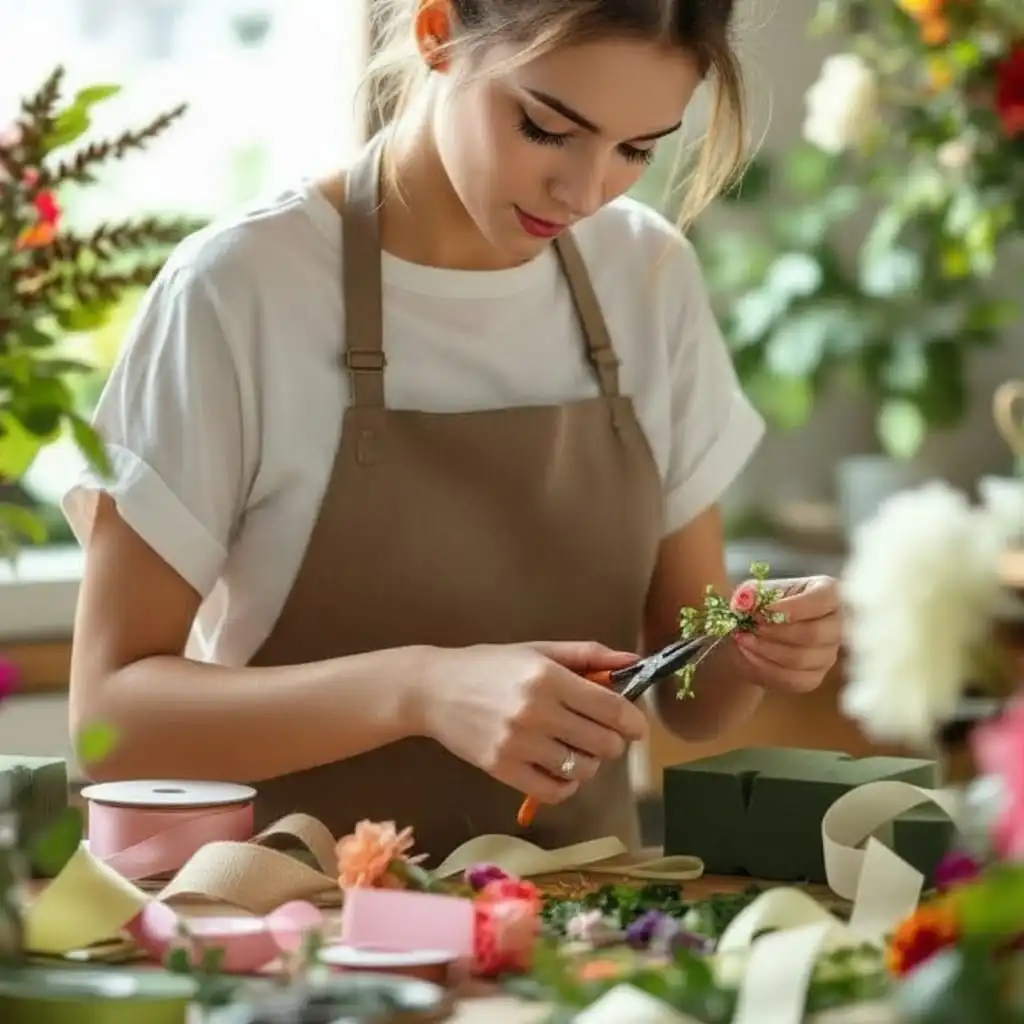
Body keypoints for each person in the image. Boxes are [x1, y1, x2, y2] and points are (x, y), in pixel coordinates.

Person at [64, 0, 842, 863]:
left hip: (576, 937)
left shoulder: (646, 276)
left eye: (636, 150)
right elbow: (111, 724)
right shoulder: (240, 290)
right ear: (437, 34)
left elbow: (686, 699)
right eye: (547, 129)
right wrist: (421, 689)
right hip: (295, 935)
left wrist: (755, 648)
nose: (584, 192)